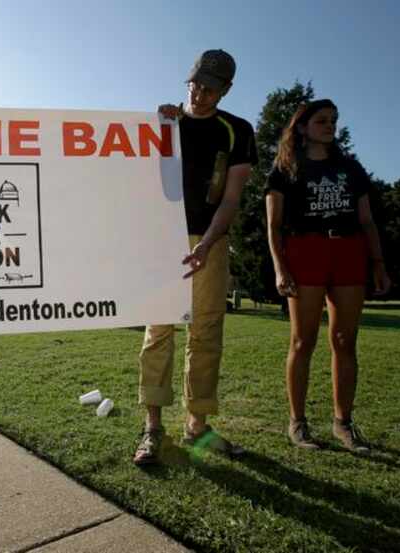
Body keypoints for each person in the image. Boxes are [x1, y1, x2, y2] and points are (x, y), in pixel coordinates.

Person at [133, 49, 257, 465]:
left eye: (211, 88)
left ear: (226, 90)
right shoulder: (165, 124)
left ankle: (197, 426)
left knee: (205, 334)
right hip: (162, 239)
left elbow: (232, 197)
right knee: (159, 331)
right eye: (196, 84)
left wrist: (207, 242)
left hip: (211, 239)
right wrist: (156, 125)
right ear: (187, 79)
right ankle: (152, 428)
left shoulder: (237, 130)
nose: (200, 94)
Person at [265, 99, 390, 453]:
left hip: (349, 252)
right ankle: (298, 422)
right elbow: (273, 226)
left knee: (345, 341)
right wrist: (280, 267)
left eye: (333, 120)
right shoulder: (284, 169)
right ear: (302, 127)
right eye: (322, 120)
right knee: (303, 342)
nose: (330, 126)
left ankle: (343, 423)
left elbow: (367, 220)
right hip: (305, 253)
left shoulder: (350, 168)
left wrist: (378, 263)